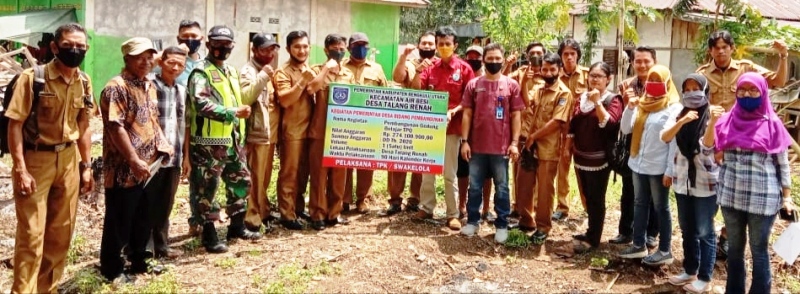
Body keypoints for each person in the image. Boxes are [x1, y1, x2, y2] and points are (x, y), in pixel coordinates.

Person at [7, 23, 94, 293]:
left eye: (81, 46)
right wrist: (20, 169)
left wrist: (87, 165)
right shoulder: (33, 78)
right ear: (55, 47)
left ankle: (48, 289)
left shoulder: (85, 82)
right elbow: (15, 125)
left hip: (68, 161)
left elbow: (84, 126)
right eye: (68, 46)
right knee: (32, 236)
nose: (75, 50)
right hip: (36, 161)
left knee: (60, 236)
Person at [695, 30, 788, 257]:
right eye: (716, 47)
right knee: (712, 190)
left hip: (747, 140)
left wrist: (784, 56)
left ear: (732, 48)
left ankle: (726, 237)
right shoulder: (702, 73)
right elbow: (695, 103)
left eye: (725, 46)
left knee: (739, 187)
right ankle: (708, 238)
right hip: (715, 138)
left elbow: (777, 81)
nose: (721, 51)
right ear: (710, 51)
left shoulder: (747, 69)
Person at [713, 73, 795, 294]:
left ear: (763, 92)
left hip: (763, 200)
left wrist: (787, 197)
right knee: (735, 251)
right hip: (731, 196)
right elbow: (715, 154)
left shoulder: (773, 124)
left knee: (759, 250)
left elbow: (783, 165)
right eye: (742, 90)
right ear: (736, 92)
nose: (747, 94)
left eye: (753, 90)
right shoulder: (725, 121)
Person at [187, 25, 267, 252]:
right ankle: (209, 235)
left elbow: (237, 99)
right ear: (208, 44)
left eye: (226, 44)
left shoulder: (231, 71)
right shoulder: (200, 71)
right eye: (217, 44)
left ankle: (237, 226)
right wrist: (232, 113)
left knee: (241, 182)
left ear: (232, 46)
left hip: (232, 140)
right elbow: (201, 104)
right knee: (206, 189)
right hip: (208, 143)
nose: (222, 48)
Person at [99, 37, 173, 281]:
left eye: (150, 56)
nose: (146, 61)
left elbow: (152, 121)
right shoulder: (116, 87)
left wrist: (163, 144)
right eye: (140, 56)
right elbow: (115, 127)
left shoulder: (148, 85)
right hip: (123, 168)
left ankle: (139, 260)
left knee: (143, 216)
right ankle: (112, 269)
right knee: (119, 218)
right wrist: (132, 159)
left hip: (148, 167)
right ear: (126, 58)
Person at [660, 74, 723, 293]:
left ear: (705, 90)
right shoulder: (678, 112)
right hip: (682, 180)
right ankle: (689, 270)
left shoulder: (714, 114)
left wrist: (713, 122)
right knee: (687, 228)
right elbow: (665, 137)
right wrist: (682, 122)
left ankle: (705, 277)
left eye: (697, 87)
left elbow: (709, 146)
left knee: (705, 231)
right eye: (687, 88)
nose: (692, 92)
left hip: (706, 182)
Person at [459, 43, 523, 244]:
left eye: (497, 59)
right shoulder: (474, 85)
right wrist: (465, 142)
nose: (494, 62)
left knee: (502, 187)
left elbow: (515, 116)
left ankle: (502, 224)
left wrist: (514, 143)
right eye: (490, 58)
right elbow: (467, 114)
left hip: (501, 148)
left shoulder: (511, 85)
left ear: (503, 60)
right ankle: (472, 221)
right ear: (484, 60)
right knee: (475, 186)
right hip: (477, 147)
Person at [618, 64, 680, 266]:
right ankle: (638, 245)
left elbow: (673, 144)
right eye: (650, 80)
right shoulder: (642, 103)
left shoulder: (674, 107)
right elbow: (626, 129)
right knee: (639, 204)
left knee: (661, 207)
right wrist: (630, 107)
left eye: (658, 80)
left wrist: (669, 171)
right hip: (638, 163)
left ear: (667, 83)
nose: (653, 84)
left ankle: (665, 250)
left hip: (658, 167)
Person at [415, 26, 475, 231]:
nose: (443, 47)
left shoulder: (465, 69)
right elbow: (418, 90)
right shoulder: (430, 68)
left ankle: (452, 214)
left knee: (450, 173)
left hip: (453, 128)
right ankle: (426, 207)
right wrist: (417, 72)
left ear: (455, 45)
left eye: (447, 44)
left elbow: (469, 101)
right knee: (427, 170)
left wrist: (453, 111)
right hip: (430, 128)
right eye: (440, 44)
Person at [567, 62, 624, 253]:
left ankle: (594, 239)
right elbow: (573, 124)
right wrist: (569, 146)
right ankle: (590, 230)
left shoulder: (613, 99)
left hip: (599, 159)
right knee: (587, 196)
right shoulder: (581, 98)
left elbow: (610, 124)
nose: (595, 79)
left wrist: (598, 102)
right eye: (592, 75)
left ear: (608, 79)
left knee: (597, 198)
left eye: (600, 76)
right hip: (581, 156)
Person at [305, 33, 355, 230]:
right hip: (319, 130)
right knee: (318, 175)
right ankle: (317, 214)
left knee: (338, 176)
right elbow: (311, 88)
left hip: (341, 133)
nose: (339, 52)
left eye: (342, 49)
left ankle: (334, 213)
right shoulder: (315, 69)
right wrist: (326, 69)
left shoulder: (348, 74)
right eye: (335, 48)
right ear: (326, 50)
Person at [522, 52, 573, 244]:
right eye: (545, 69)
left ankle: (543, 226)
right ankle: (526, 220)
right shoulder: (539, 88)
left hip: (548, 148)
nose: (548, 72)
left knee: (544, 190)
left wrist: (534, 136)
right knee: (525, 184)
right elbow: (527, 104)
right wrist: (522, 83)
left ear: (559, 70)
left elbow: (557, 122)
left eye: (552, 69)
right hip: (529, 145)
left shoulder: (563, 93)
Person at [613, 46, 660, 248]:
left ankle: (651, 233)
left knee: (653, 192)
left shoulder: (662, 84)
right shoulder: (625, 85)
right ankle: (626, 231)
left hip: (654, 144)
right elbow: (622, 116)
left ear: (654, 62)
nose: (641, 65)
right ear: (632, 63)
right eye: (638, 61)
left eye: (646, 61)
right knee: (629, 190)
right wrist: (626, 103)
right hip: (632, 144)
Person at [385, 31, 437, 215]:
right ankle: (394, 201)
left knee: (420, 162)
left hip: (427, 120)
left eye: (431, 44)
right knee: (398, 160)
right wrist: (403, 57)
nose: (428, 47)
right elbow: (398, 78)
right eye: (424, 43)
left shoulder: (440, 65)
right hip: (405, 118)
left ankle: (415, 199)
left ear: (436, 46)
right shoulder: (409, 63)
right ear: (418, 45)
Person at [146, 46, 189, 260]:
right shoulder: (149, 85)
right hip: (152, 158)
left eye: (180, 64)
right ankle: (145, 248)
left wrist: (186, 157)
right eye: (171, 62)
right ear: (161, 62)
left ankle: (162, 246)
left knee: (166, 203)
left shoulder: (181, 91)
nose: (175, 67)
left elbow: (184, 124)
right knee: (147, 202)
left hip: (175, 156)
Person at [342, 32, 389, 214]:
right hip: (345, 123)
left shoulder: (377, 69)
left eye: (364, 45)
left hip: (370, 124)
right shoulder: (341, 67)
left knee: (366, 162)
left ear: (368, 48)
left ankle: (363, 199)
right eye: (356, 45)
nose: (360, 49)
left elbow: (385, 94)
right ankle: (343, 199)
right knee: (344, 162)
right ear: (349, 48)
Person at [274, 30, 316, 230]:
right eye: (297, 46)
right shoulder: (283, 72)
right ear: (288, 49)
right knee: (289, 173)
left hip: (311, 131)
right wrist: (301, 81)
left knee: (304, 173)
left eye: (305, 46)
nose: (302, 50)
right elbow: (285, 100)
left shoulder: (311, 69)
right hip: (292, 131)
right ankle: (286, 213)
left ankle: (298, 208)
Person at [241, 32, 280, 232]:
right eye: (264, 49)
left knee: (263, 177)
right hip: (255, 134)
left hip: (267, 134)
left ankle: (262, 212)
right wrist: (263, 75)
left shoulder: (268, 70)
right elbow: (246, 97)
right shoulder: (249, 71)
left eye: (272, 49)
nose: (269, 53)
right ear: (254, 50)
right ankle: (252, 219)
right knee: (254, 177)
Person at [509, 41, 546, 221]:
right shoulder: (521, 73)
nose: (535, 56)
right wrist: (509, 64)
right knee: (519, 172)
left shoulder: (549, 73)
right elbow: (504, 81)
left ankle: (538, 207)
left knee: (540, 174)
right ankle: (518, 206)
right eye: (532, 53)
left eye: (539, 53)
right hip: (522, 131)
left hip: (542, 132)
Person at [553, 38, 589, 221]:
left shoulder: (588, 75)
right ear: (560, 56)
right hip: (561, 131)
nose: (569, 57)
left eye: (572, 54)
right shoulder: (554, 76)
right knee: (562, 169)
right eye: (565, 54)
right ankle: (562, 207)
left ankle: (588, 206)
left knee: (583, 170)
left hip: (583, 132)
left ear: (578, 55)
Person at [457, 44, 494, 222]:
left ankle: (486, 208)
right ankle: (461, 206)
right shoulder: (465, 77)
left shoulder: (490, 79)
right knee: (463, 171)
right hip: (465, 133)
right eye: (470, 56)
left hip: (487, 134)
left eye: (477, 57)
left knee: (487, 174)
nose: (474, 60)